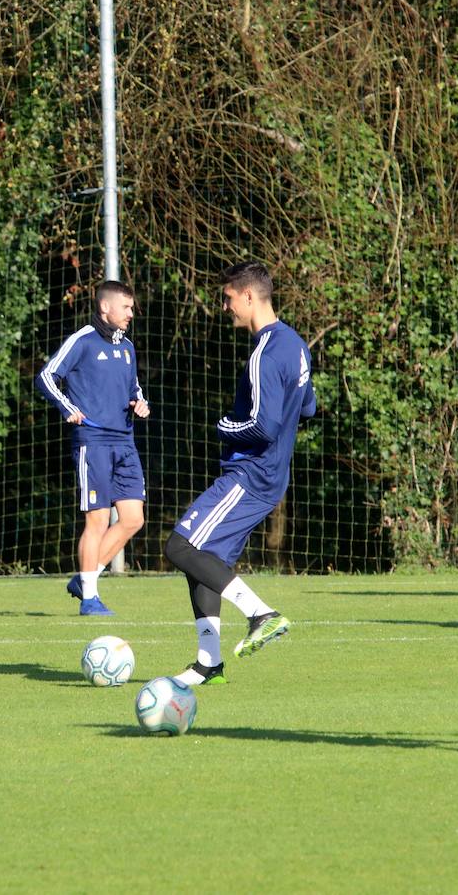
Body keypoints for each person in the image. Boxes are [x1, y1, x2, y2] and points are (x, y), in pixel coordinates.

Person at [164, 261, 314, 686]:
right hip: (270, 475)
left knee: (179, 546)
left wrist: (223, 425)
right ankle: (208, 662)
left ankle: (260, 613)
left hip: (250, 474)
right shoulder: (297, 345)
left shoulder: (264, 353)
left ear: (249, 297)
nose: (224, 306)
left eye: (228, 298)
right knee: (206, 559)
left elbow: (262, 427)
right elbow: (308, 406)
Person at [35, 279, 149, 616]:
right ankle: (89, 599)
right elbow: (46, 376)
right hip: (93, 441)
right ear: (106, 308)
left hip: (125, 442)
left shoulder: (127, 347)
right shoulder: (82, 341)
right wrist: (68, 408)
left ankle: (86, 577)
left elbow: (135, 388)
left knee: (133, 519)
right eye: (126, 307)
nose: (131, 313)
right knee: (97, 520)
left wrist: (140, 404)